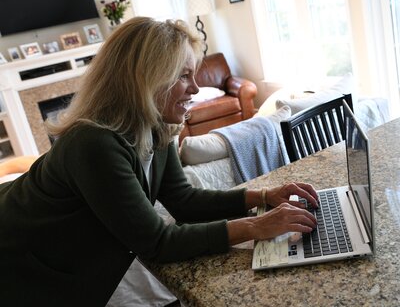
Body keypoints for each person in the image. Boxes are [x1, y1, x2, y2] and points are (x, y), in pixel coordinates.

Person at [0, 17, 318, 307]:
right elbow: (157, 242)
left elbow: (184, 200)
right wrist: (255, 226)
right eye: (184, 76)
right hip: (22, 262)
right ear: (145, 81)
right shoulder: (93, 143)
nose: (195, 88)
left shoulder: (156, 127)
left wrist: (265, 197)